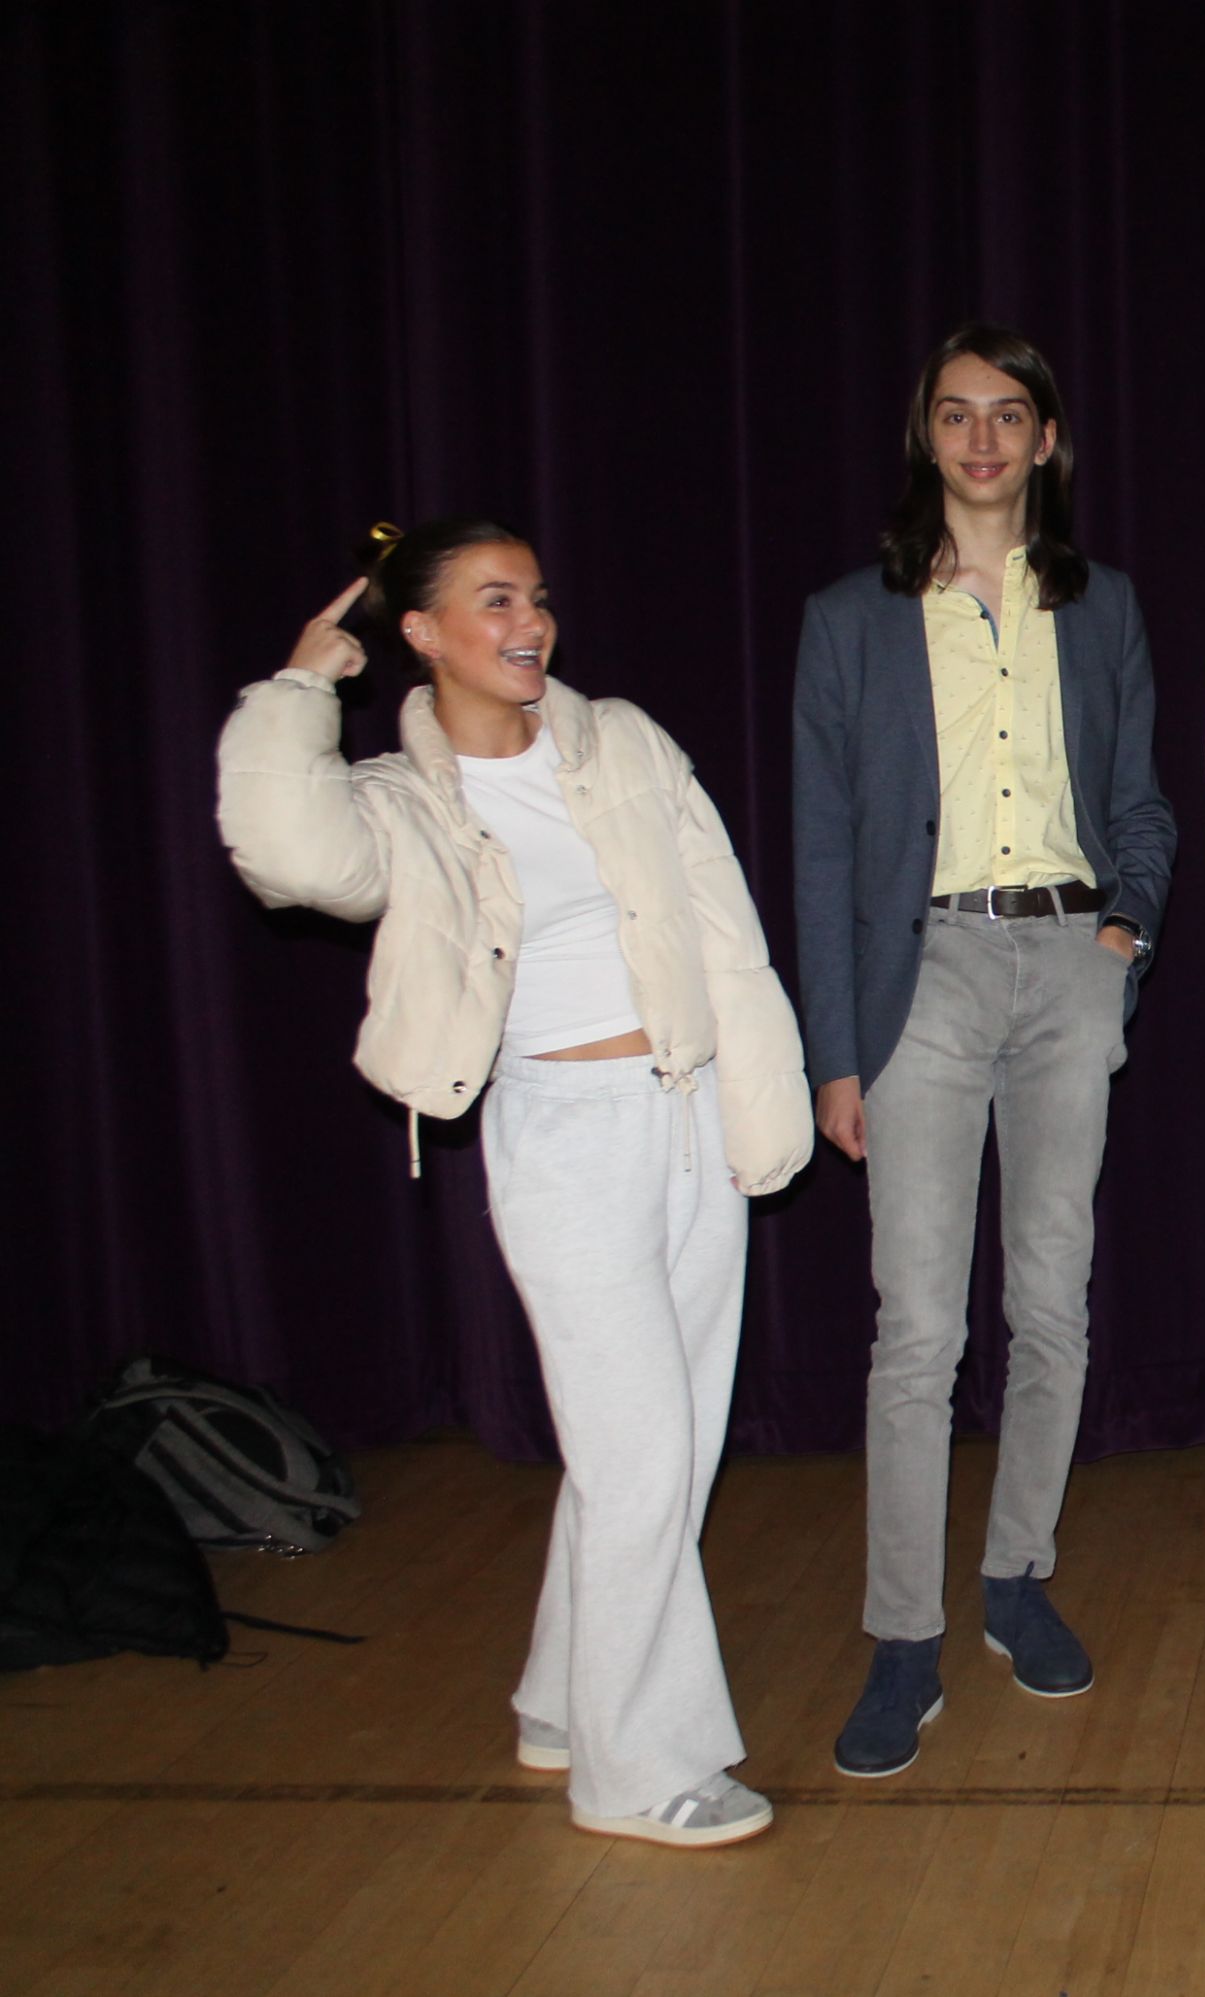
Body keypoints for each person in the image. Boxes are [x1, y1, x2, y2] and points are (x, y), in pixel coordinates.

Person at [216, 518, 812, 1848]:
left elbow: (725, 924)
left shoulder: (625, 743)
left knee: (660, 1450)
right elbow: (289, 859)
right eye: (493, 601)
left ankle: (560, 1701)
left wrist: (758, 1105)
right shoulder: (397, 798)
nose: (529, 621)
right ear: (421, 635)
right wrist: (299, 689)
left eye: (536, 595)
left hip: (690, 1109)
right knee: (641, 1451)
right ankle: (640, 1767)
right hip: (560, 1133)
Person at [792, 324, 1176, 1779]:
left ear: (1046, 440)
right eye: (957, 416)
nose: (983, 440)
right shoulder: (852, 617)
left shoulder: (1105, 606)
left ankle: (1017, 1574)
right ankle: (906, 1636)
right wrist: (837, 1051)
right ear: (925, 435)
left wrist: (1123, 939)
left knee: (1052, 1298)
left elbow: (1143, 799)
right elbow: (824, 849)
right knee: (917, 1329)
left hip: (1067, 961)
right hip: (923, 975)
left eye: (1010, 416)